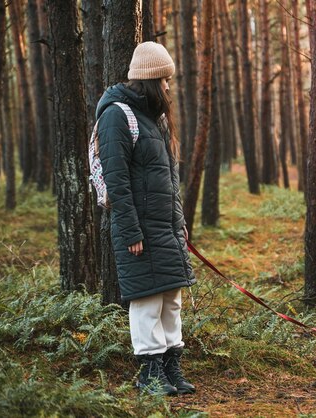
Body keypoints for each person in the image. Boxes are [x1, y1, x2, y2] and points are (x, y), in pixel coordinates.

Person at [96, 41, 196, 396]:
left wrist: (179, 223)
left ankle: (171, 367)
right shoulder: (116, 116)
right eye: (165, 80)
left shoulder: (158, 120)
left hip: (165, 227)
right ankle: (150, 373)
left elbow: (170, 179)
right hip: (138, 230)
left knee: (171, 299)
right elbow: (117, 180)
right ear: (151, 80)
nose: (169, 87)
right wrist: (130, 230)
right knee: (146, 301)